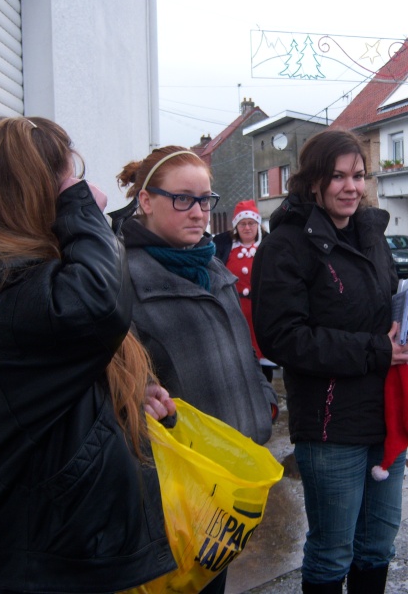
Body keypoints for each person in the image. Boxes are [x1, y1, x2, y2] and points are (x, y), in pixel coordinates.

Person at [0, 117, 178, 594]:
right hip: (44, 563)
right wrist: (83, 209)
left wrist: (126, 400)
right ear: (34, 193)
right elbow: (98, 303)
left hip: (38, 550)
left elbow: (41, 401)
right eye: (67, 182)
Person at [250, 130, 408, 594]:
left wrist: (406, 332)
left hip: (385, 415)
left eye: (358, 175)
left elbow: (386, 306)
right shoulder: (286, 246)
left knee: (378, 544)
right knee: (332, 550)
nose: (351, 187)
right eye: (337, 176)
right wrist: (374, 350)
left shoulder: (371, 236)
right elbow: (283, 338)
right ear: (314, 183)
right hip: (329, 425)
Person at [116, 146, 279, 594]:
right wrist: (142, 395)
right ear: (146, 201)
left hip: (226, 482)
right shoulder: (121, 279)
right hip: (175, 490)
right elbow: (112, 379)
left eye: (206, 199)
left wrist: (263, 403)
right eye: (183, 199)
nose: (200, 212)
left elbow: (242, 353)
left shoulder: (209, 265)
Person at [215, 200, 277, 381]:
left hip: (261, 312)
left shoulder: (269, 248)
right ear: (236, 226)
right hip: (234, 311)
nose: (247, 228)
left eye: (251, 223)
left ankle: (267, 400)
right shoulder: (223, 249)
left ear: (258, 225)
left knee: (263, 358)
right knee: (238, 357)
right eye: (243, 224)